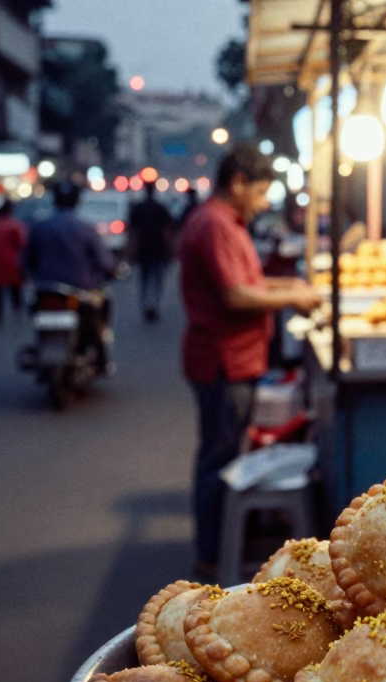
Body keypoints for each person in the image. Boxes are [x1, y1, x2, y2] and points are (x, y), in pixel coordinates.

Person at [179, 142, 323, 577]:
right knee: (219, 459)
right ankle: (212, 554)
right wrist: (292, 296)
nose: (264, 203)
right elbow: (237, 295)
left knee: (222, 452)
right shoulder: (215, 225)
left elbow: (254, 282)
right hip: (223, 360)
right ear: (237, 182)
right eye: (260, 192)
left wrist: (289, 289)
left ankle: (220, 542)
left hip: (231, 357)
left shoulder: (228, 223)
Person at [23, 179, 117, 370]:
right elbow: (105, 261)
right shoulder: (85, 228)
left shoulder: (40, 227)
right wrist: (112, 270)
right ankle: (100, 356)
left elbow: (26, 262)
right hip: (80, 290)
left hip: (45, 288)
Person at [127, 180, 175, 322]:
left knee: (145, 278)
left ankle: (147, 304)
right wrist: (170, 248)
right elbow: (167, 231)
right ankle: (152, 304)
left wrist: (131, 250)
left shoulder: (139, 208)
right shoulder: (160, 208)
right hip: (157, 248)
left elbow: (133, 233)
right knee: (156, 278)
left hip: (145, 249)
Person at [0, 198, 27, 323]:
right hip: (12, 264)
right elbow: (22, 244)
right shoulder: (14, 225)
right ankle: (18, 315)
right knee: (16, 292)